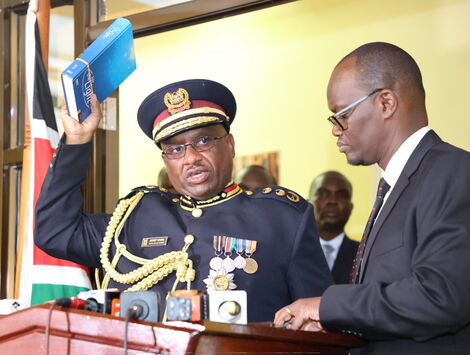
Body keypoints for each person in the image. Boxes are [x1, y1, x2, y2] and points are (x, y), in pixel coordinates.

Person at [35, 79, 332, 322]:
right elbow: (55, 231)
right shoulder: (134, 216)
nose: (191, 158)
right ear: (165, 159)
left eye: (203, 141)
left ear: (229, 144)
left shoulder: (282, 218)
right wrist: (77, 142)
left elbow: (318, 321)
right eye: (175, 149)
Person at [274, 42, 470, 353]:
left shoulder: (453, 171)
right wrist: (335, 323)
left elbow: (442, 296)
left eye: (341, 114)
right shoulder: (398, 185)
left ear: (386, 103)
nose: (336, 130)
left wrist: (327, 306)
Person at [308, 171, 358, 284]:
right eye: (323, 194)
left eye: (342, 195)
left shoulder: (364, 255)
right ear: (309, 204)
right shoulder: (291, 253)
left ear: (351, 207)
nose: (332, 201)